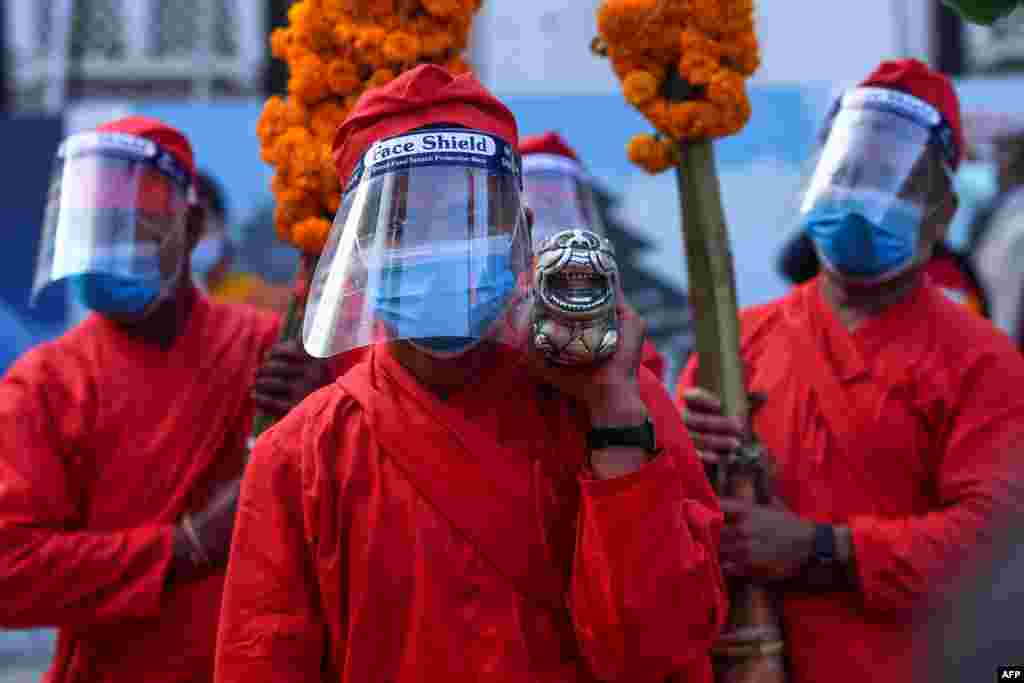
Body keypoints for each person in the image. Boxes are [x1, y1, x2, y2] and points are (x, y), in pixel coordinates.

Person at [214, 64, 726, 683]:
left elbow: (659, 654)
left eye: (465, 220)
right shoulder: (300, 454)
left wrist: (612, 417)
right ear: (359, 248)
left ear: (522, 236)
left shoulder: (616, 401)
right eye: (405, 225)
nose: (437, 249)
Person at [676, 59, 1024, 683]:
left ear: (942, 212)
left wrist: (823, 550)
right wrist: (682, 457)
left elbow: (991, 553)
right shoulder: (731, 346)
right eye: (852, 173)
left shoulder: (985, 363)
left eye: (894, 179)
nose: (865, 198)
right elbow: (674, 539)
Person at [0, 116, 331, 683]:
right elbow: (10, 571)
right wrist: (186, 546)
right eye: (95, 229)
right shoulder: (45, 385)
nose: (108, 249)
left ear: (194, 226)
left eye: (134, 229)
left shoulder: (269, 352)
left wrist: (320, 411)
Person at [519, 130, 669, 381]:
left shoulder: (610, 306)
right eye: (541, 207)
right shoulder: (495, 299)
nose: (556, 232)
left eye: (561, 208)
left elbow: (645, 383)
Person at [971, 119, 1024, 344]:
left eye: (1002, 156)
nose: (996, 166)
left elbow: (1007, 301)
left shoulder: (1018, 222)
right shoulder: (1003, 208)